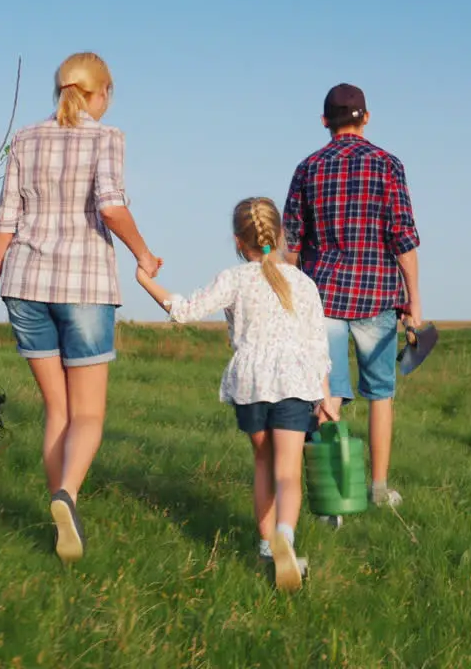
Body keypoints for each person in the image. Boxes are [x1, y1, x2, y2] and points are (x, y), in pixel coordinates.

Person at [0, 52, 162, 565]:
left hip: (25, 286)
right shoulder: (106, 137)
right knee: (88, 412)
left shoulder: (25, 138)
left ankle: (59, 519)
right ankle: (65, 495)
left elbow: (4, 222)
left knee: (57, 410)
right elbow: (111, 207)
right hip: (85, 286)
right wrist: (144, 253)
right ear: (100, 93)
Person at [134, 196, 337, 592]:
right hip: (294, 382)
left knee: (263, 463)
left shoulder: (233, 279)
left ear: (237, 241)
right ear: (281, 235)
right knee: (288, 471)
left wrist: (145, 280)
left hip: (250, 384)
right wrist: (326, 396)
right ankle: (285, 539)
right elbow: (317, 346)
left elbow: (186, 310)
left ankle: (266, 548)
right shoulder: (303, 282)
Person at [282, 83, 423, 527]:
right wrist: (413, 300)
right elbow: (403, 238)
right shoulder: (387, 165)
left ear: (325, 121)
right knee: (380, 394)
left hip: (319, 296)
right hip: (378, 295)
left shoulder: (308, 168)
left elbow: (290, 243)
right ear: (366, 117)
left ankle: (331, 501)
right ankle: (378, 488)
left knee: (328, 396)